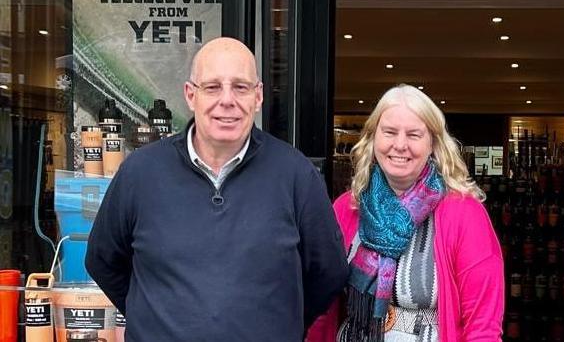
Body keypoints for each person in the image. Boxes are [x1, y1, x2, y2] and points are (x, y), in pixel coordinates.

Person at [85, 37, 349, 341]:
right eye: (212, 87)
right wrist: (155, 316)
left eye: (240, 86)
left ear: (258, 96)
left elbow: (328, 273)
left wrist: (280, 324)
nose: (227, 100)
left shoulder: (295, 174)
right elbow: (103, 260)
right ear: (190, 95)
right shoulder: (140, 172)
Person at [307, 84, 504, 341]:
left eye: (414, 135)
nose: (400, 145)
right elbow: (321, 303)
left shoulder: (465, 213)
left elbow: (483, 323)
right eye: (389, 132)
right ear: (373, 137)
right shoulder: (347, 208)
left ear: (432, 143)